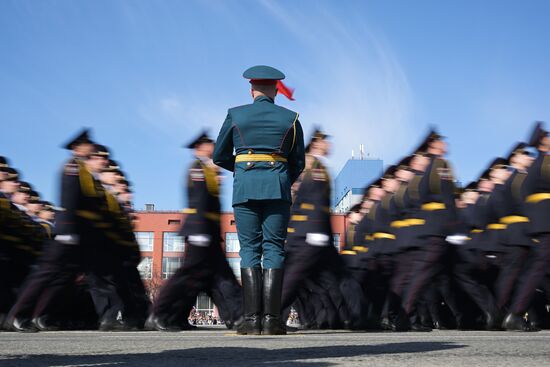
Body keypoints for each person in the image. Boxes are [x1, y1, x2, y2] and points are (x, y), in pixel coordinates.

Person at [213, 65, 305, 335]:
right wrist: (279, 177)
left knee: (249, 249)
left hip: (245, 188)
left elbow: (219, 155)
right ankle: (272, 321)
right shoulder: (292, 118)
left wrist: (245, 170)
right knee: (274, 249)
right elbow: (298, 161)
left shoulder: (235, 115)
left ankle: (252, 321)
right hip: (278, 187)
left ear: (251, 89)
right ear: (276, 90)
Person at [149, 132, 243, 331]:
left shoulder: (209, 170)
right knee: (188, 276)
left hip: (208, 233)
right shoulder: (198, 169)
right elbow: (199, 202)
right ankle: (160, 314)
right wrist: (200, 233)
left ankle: (236, 316)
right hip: (200, 232)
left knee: (219, 277)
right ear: (200, 147)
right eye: (211, 144)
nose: (214, 147)